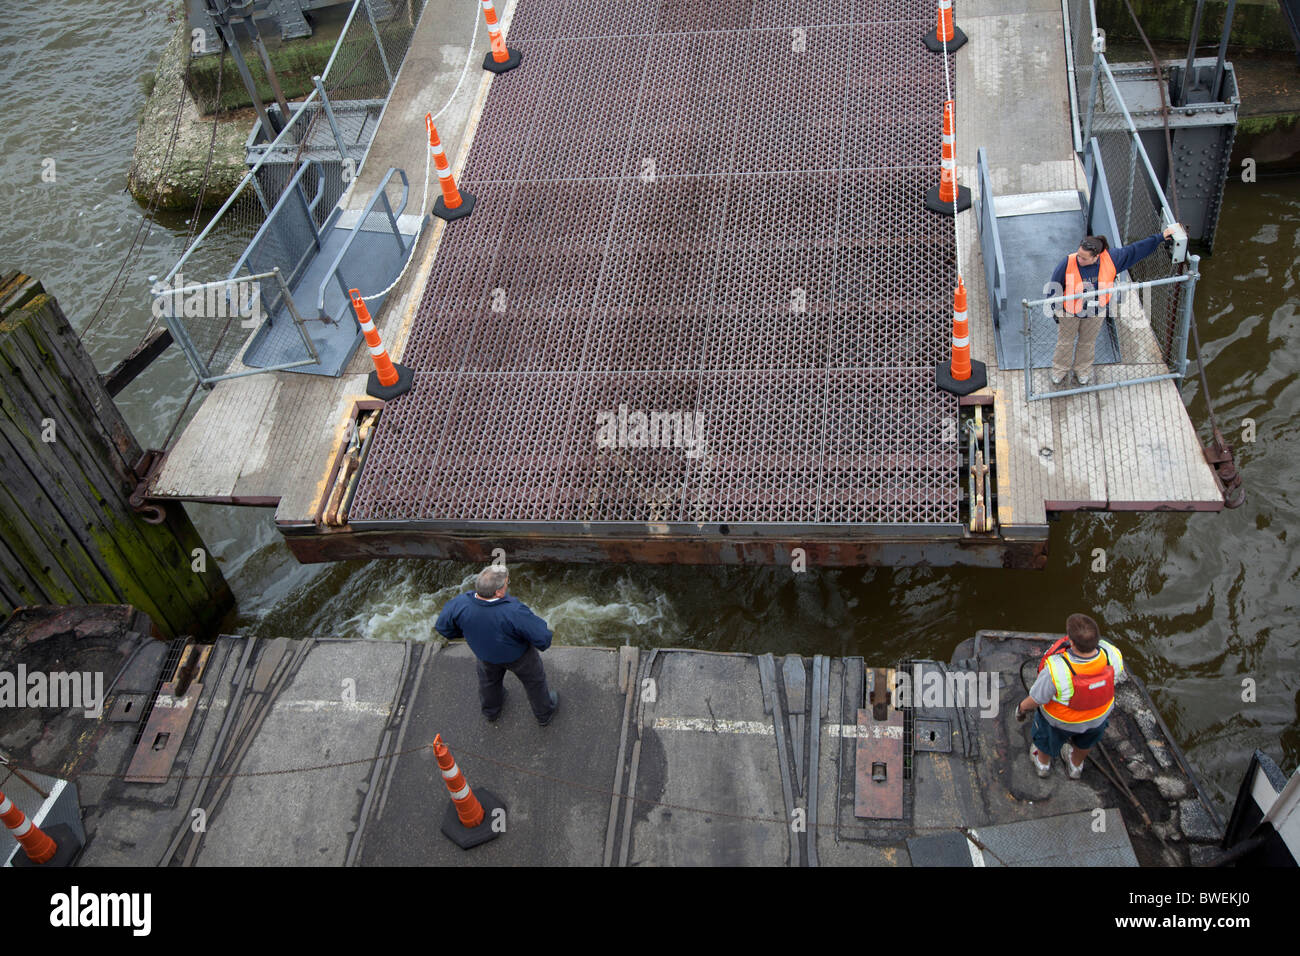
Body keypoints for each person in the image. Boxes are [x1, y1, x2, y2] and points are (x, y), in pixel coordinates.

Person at [1048, 224, 1182, 386]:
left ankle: (1082, 371)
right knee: (1065, 343)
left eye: (1084, 258)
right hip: (1069, 312)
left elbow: (1136, 250)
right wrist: (1056, 309)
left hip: (1095, 313)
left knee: (1087, 343)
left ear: (1096, 257)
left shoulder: (1111, 259)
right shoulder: (1068, 262)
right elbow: (1055, 285)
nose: (1079, 259)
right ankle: (1059, 370)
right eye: (1079, 255)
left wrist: (1160, 238)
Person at [435, 566, 560, 726]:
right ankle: (544, 714)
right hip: (519, 657)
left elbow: (443, 627)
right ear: (499, 592)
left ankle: (491, 712)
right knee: (535, 682)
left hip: (485, 655)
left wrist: (469, 634)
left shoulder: (459, 604)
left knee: (488, 682)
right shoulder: (513, 611)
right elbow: (543, 638)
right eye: (507, 582)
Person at [1015, 613, 1125, 779]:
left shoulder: (1057, 669)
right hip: (1098, 718)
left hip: (1060, 722)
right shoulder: (1113, 656)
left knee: (1045, 741)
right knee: (1086, 742)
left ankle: (1042, 764)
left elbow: (1038, 699)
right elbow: (1113, 679)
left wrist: (1021, 708)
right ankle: (1075, 766)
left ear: (1071, 642)